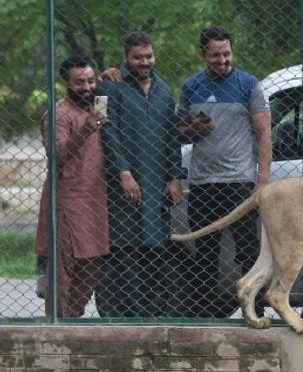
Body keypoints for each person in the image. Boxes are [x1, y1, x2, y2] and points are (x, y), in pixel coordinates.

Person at [175, 26, 272, 318]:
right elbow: (178, 132)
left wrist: (262, 179)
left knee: (247, 249)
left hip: (240, 182)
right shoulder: (191, 86)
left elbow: (264, 132)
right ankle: (204, 315)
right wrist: (195, 129)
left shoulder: (249, 85)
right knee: (204, 252)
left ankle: (254, 309)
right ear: (202, 54)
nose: (222, 60)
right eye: (215, 55)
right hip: (203, 182)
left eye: (227, 53)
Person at [98, 31, 183, 317]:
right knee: (126, 250)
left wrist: (174, 176)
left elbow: (172, 135)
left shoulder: (164, 89)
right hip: (124, 185)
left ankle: (151, 315)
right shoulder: (107, 87)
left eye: (148, 56)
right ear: (126, 58)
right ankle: (129, 317)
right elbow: (105, 132)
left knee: (155, 249)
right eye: (137, 57)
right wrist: (123, 172)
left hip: (157, 183)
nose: (144, 62)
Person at [35, 55, 109, 317]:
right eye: (80, 83)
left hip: (95, 200)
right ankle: (57, 323)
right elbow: (57, 156)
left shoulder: (98, 108)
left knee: (93, 263)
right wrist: (85, 130)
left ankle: (72, 317)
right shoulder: (58, 114)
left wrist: (112, 74)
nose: (87, 87)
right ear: (65, 82)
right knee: (62, 268)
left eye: (91, 80)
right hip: (67, 200)